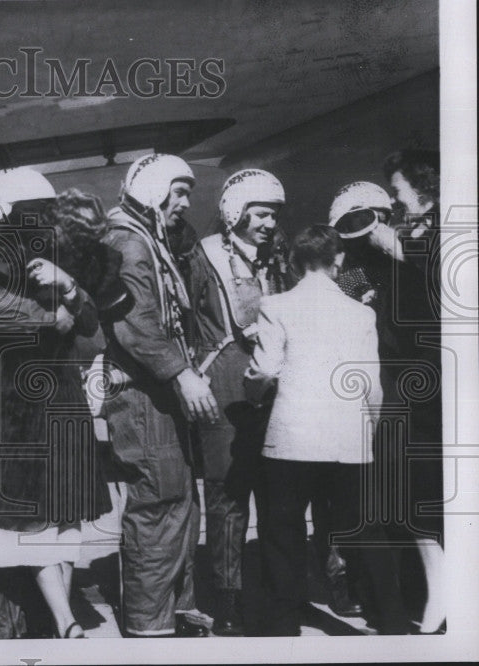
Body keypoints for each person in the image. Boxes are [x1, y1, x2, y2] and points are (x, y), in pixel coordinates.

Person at [0, 169, 112, 639]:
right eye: (32, 211)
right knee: (18, 527)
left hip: (42, 404)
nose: (40, 222)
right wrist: (52, 314)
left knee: (57, 518)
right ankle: (49, 624)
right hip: (1, 409)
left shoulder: (52, 254)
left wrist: (69, 287)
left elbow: (91, 328)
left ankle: (56, 624)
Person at [244, 225, 410, 636]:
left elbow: (266, 369)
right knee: (364, 530)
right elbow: (371, 383)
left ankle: (282, 627)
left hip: (291, 438)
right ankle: (393, 622)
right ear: (339, 261)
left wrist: (252, 392)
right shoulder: (361, 313)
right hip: (347, 439)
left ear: (297, 263)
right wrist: (367, 429)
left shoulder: (275, 304)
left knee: (282, 530)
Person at [101, 153, 215, 638]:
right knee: (159, 504)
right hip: (145, 399)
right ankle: (150, 627)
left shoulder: (152, 241)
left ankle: (175, 612)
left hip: (160, 397)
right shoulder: (128, 243)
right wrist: (182, 374)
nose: (186, 203)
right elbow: (136, 325)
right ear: (152, 190)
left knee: (181, 505)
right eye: (179, 191)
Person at [182, 168, 290, 635]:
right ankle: (227, 600)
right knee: (227, 496)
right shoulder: (204, 258)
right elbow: (183, 318)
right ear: (236, 212)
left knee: (275, 494)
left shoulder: (278, 260)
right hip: (225, 386)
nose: (268, 224)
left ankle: (273, 594)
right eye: (261, 214)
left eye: (272, 216)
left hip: (274, 390)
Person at [363, 150, 445, 634]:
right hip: (404, 379)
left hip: (430, 381)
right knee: (410, 492)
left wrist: (397, 246)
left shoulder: (433, 234)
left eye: (398, 193)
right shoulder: (400, 239)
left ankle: (442, 594)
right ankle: (434, 591)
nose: (395, 203)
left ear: (424, 188)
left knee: (423, 491)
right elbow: (355, 287)